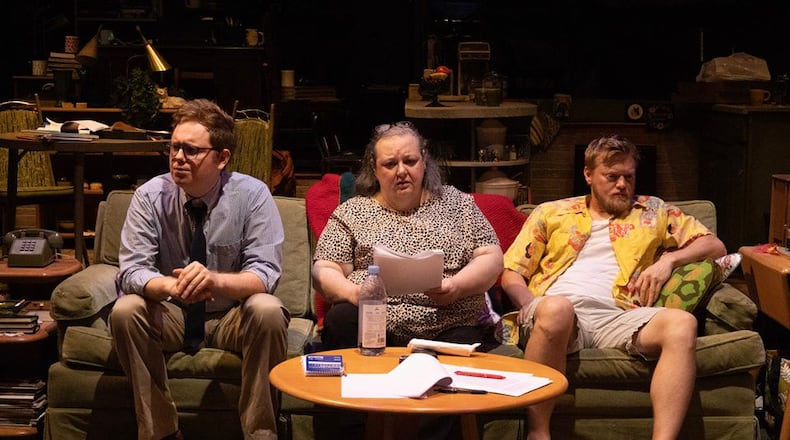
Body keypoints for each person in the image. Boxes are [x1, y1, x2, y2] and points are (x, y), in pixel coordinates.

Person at [501, 134, 727, 440]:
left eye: (628, 177)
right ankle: (538, 433)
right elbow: (511, 272)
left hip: (620, 315)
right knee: (557, 309)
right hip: (559, 312)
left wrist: (669, 260)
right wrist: (529, 304)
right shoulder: (551, 212)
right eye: (612, 177)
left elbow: (714, 246)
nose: (622, 184)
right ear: (588, 174)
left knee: (682, 323)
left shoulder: (654, 211)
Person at [109, 99, 289, 440]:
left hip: (231, 315)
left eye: (191, 150)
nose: (178, 157)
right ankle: (161, 432)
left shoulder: (253, 195)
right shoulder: (149, 196)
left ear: (221, 158)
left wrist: (215, 280)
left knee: (268, 309)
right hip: (173, 313)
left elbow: (265, 274)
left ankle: (261, 434)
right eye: (174, 147)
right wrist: (170, 286)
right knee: (125, 309)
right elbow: (132, 270)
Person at [311, 121, 503, 439]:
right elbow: (325, 268)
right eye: (390, 164)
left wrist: (456, 286)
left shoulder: (458, 205)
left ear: (423, 162)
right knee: (342, 318)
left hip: (447, 322)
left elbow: (491, 258)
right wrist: (355, 293)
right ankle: (358, 430)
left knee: (463, 341)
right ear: (375, 169)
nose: (401, 171)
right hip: (375, 325)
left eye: (409, 161)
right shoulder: (353, 212)